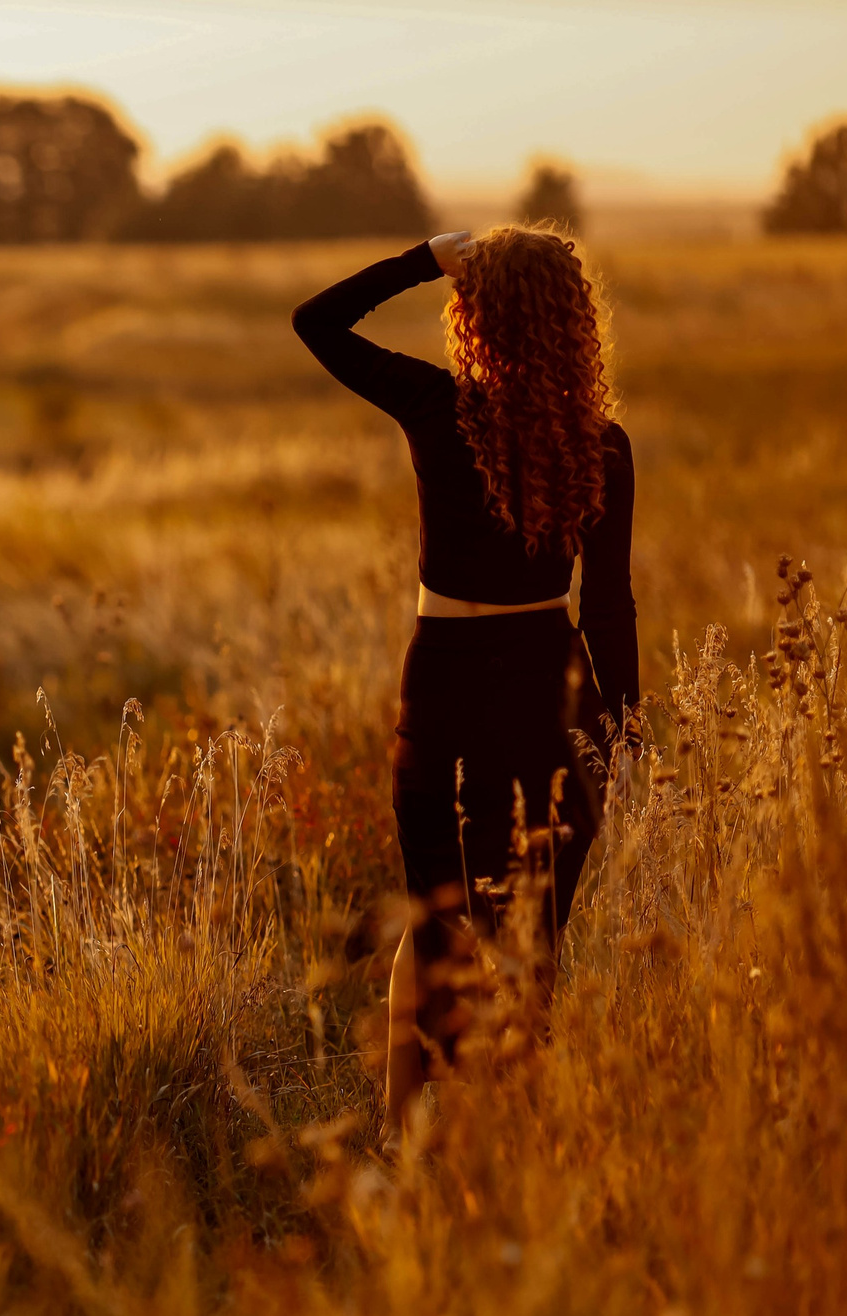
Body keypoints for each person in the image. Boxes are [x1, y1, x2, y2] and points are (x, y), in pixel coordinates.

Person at [292, 226, 637, 1125]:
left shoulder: (438, 405)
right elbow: (608, 607)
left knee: (434, 920)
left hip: (444, 692)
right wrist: (629, 736)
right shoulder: (601, 443)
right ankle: (512, 1138)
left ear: (474, 314)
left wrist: (424, 258)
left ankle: (406, 1140)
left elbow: (317, 322)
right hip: (553, 703)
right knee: (533, 945)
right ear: (573, 324)